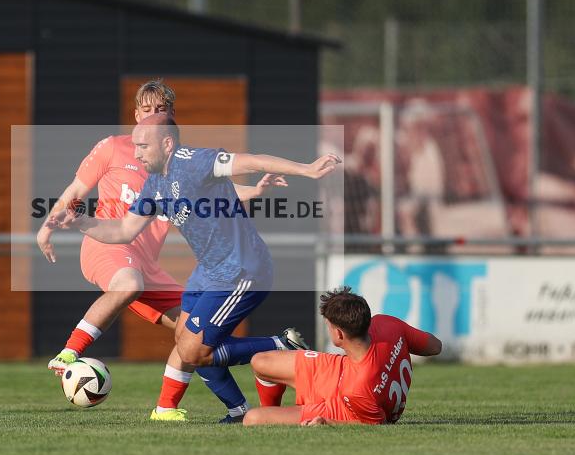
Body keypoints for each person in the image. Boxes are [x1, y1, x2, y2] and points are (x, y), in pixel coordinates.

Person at [47, 114, 341, 422]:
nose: (136, 154)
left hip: (242, 269)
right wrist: (81, 222)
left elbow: (251, 161)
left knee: (192, 351)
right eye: (134, 146)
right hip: (209, 271)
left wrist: (305, 170)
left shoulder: (194, 161)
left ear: (168, 143)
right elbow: (123, 231)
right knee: (186, 342)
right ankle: (236, 410)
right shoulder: (155, 183)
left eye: (143, 146)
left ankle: (278, 346)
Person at [243, 286, 442, 426]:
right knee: (260, 361)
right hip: (342, 368)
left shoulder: (357, 389)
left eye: (329, 325)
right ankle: (271, 414)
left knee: (252, 419)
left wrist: (328, 422)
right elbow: (434, 347)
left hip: (342, 408)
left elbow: (378, 425)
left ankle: (270, 418)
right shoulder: (387, 324)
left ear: (339, 334)